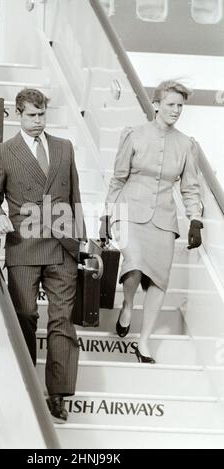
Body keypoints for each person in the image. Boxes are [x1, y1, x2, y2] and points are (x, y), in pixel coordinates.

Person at [0, 88, 87, 423]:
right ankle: (27, 384)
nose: (38, 121)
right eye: (31, 115)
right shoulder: (2, 152)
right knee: (25, 314)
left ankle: (59, 394)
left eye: (42, 115)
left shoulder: (64, 148)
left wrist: (80, 240)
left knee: (62, 320)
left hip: (62, 247)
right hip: (23, 245)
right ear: (17, 114)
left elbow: (76, 197)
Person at [100, 80, 203, 363]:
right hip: (130, 211)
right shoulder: (134, 135)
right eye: (171, 104)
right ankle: (128, 303)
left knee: (159, 280)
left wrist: (195, 220)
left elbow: (190, 188)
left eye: (180, 106)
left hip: (164, 218)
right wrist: (107, 214)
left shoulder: (186, 145)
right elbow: (118, 178)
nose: (176, 110)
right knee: (133, 264)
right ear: (156, 105)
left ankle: (144, 342)